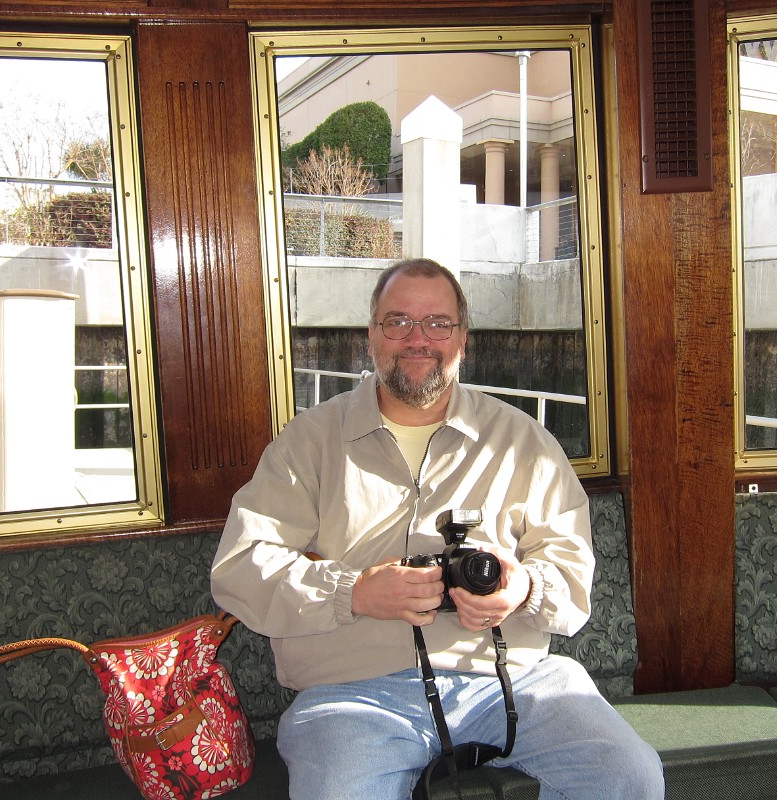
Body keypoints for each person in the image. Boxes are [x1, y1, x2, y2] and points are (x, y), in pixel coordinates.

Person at [211, 257, 664, 800]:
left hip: (510, 679)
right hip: (352, 694)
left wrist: (523, 588)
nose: (417, 338)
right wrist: (353, 592)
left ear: (462, 340)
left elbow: (572, 577)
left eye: (438, 323)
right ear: (371, 337)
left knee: (628, 775)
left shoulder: (524, 443)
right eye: (398, 321)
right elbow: (239, 568)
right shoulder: (308, 443)